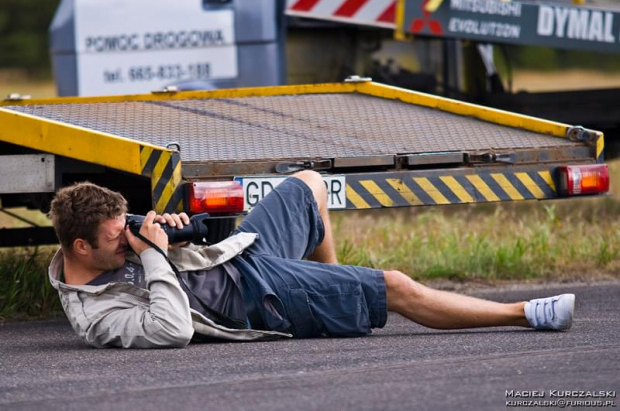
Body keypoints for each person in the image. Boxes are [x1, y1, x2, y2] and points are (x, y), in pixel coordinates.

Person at [47, 171, 575, 349]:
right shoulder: (95, 317)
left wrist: (176, 235)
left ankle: (328, 283)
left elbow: (196, 243)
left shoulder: (111, 242)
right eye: (118, 240)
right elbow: (171, 329)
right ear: (81, 249)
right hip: (255, 299)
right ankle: (526, 312)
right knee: (395, 287)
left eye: (127, 229)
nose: (127, 242)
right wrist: (157, 256)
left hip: (234, 257)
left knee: (309, 185)